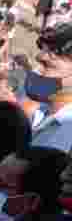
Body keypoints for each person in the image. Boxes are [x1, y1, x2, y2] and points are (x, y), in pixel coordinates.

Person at [29, 23, 72, 152]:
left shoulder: (67, 133)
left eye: (48, 65)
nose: (36, 71)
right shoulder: (40, 112)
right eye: (39, 63)